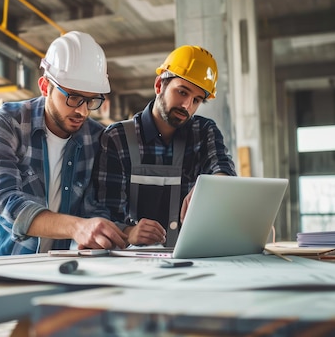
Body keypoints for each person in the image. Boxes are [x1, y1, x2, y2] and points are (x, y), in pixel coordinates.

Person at [0, 31, 128, 258]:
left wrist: (125, 232)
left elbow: (93, 210)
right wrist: (76, 227)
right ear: (45, 86)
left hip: (47, 270)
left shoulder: (95, 138)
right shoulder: (4, 124)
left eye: (91, 100)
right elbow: (6, 202)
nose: (82, 111)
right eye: (74, 97)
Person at [93, 45, 237, 248]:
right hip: (132, 264)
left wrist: (210, 186)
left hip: (190, 258)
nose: (187, 105)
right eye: (182, 92)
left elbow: (223, 168)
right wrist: (129, 233)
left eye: (196, 100)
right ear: (159, 85)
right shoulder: (117, 138)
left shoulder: (204, 132)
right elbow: (104, 211)